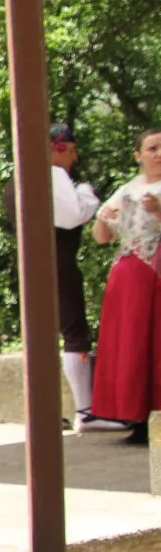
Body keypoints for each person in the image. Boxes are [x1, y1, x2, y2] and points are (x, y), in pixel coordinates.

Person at [3, 124, 123, 433]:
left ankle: (45, 411)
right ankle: (86, 411)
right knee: (75, 333)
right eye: (71, 150)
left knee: (41, 336)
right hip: (56, 261)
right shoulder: (53, 175)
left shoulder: (19, 178)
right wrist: (86, 193)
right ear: (58, 148)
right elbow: (72, 215)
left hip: (31, 263)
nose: (74, 157)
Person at [90, 128, 161, 444]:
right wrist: (103, 219)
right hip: (129, 271)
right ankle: (135, 414)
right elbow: (101, 238)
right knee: (130, 342)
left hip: (156, 266)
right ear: (138, 155)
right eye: (152, 148)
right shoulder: (126, 190)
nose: (159, 154)